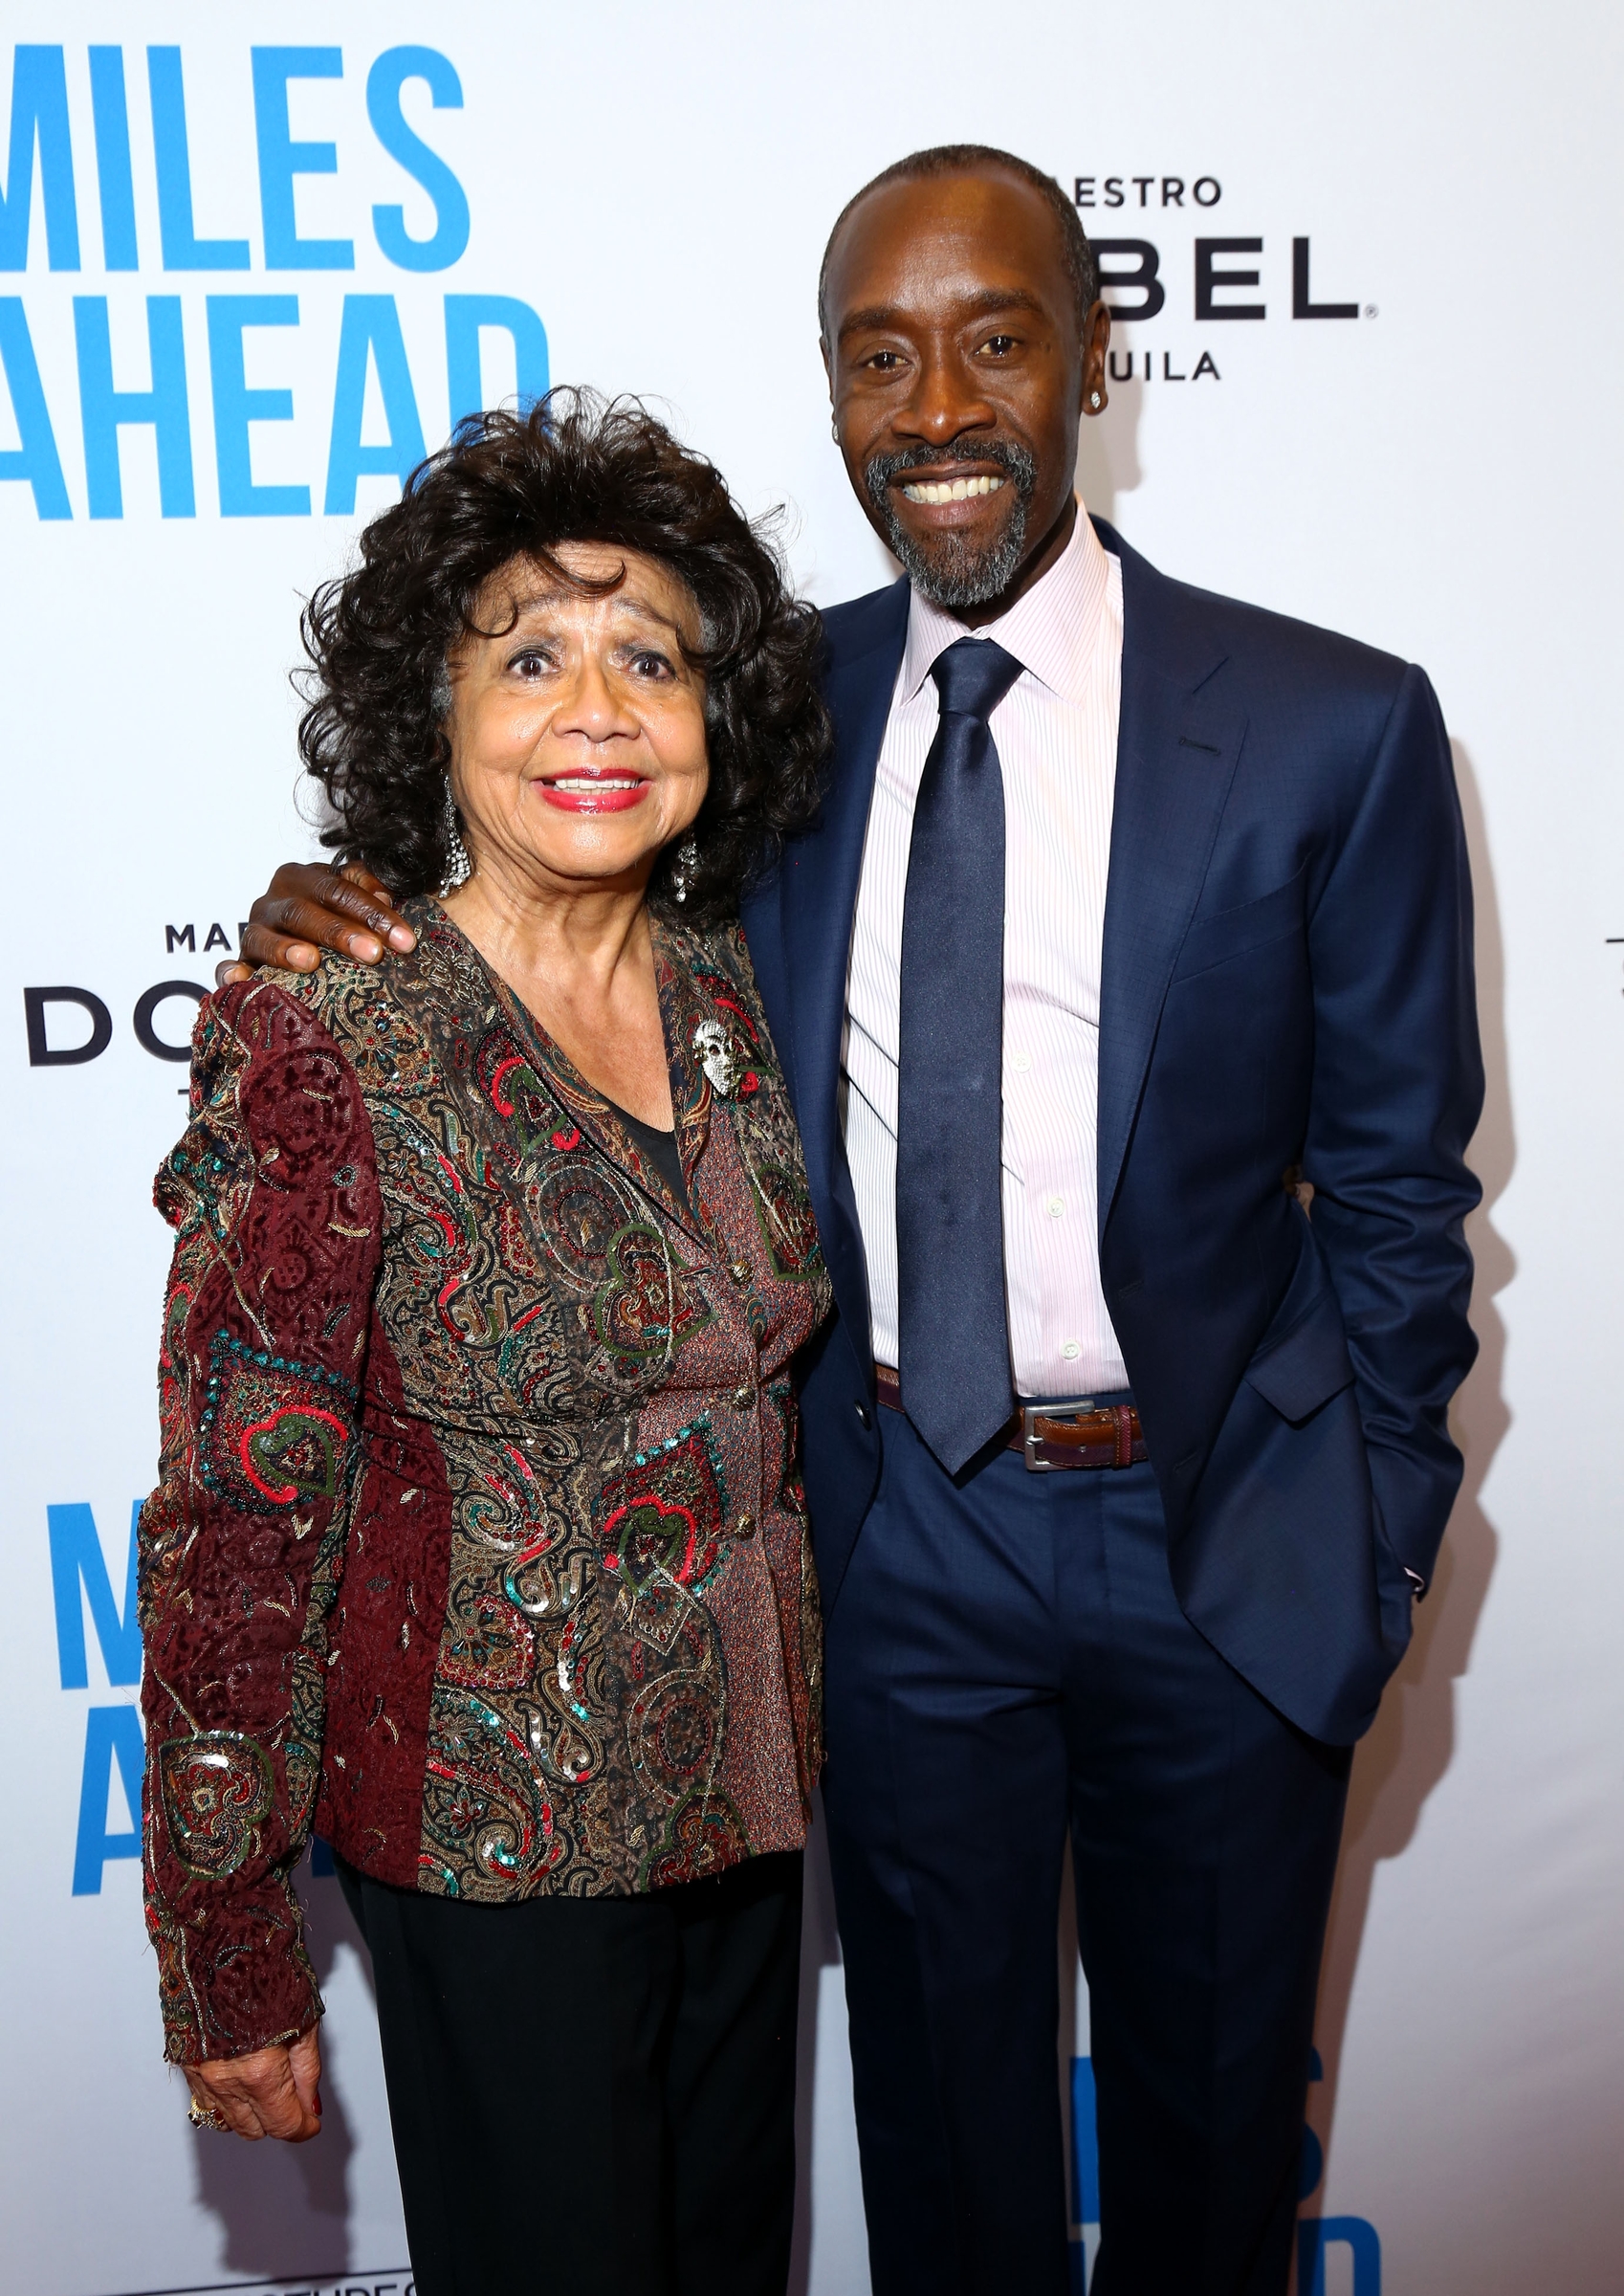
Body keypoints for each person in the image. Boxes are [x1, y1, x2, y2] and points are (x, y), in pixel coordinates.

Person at [232, 146, 1483, 2296]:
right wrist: (322, 903)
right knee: (940, 2150)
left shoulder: (1329, 725)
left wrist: (1367, 1532)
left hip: (1225, 1542)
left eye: (996, 341)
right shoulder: (759, 721)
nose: (940, 407)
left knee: (1210, 2161)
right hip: (898, 1545)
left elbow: (1399, 1189)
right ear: (830, 391)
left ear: (1094, 359)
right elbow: (540, 854)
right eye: (879, 357)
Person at [140, 393, 833, 2296]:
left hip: (751, 1816)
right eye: (528, 659)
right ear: (430, 716)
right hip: (495, 1849)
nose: (596, 712)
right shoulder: (325, 1035)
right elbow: (234, 1524)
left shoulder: (735, 986)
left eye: (648, 660)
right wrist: (227, 1945)